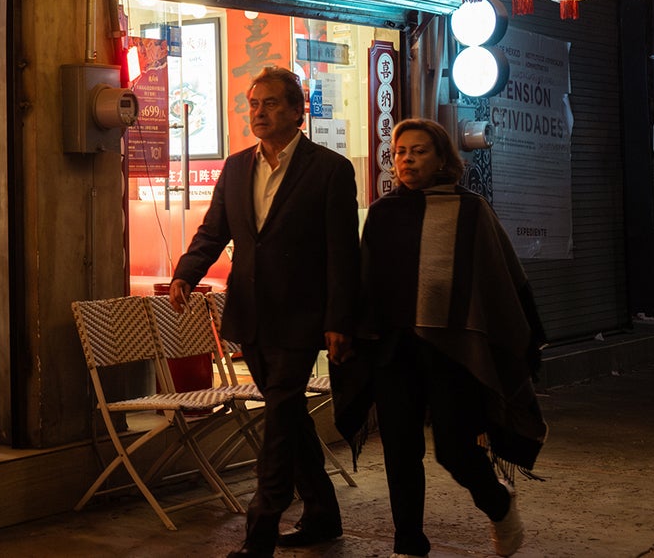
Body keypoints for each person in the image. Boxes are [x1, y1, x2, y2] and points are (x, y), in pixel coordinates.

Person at [168, 66, 360, 558]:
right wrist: (186, 273)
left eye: (272, 103)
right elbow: (215, 231)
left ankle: (260, 531)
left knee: (278, 420)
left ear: (299, 112)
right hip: (251, 315)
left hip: (302, 317)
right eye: (254, 104)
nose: (260, 112)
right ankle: (322, 514)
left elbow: (343, 253)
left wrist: (340, 319)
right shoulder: (236, 168)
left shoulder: (330, 170)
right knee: (289, 414)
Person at [335, 118, 547, 558]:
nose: (407, 159)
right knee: (399, 450)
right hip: (395, 349)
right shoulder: (383, 213)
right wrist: (351, 330)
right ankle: (408, 544)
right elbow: (366, 281)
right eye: (400, 152)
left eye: (419, 151)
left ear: (443, 158)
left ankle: (498, 503)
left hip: (453, 351)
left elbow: (502, 280)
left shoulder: (471, 211)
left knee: (454, 450)